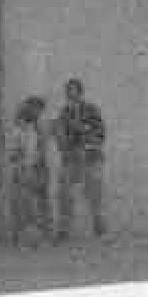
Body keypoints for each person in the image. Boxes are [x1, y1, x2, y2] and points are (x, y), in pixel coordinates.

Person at [54, 77, 106, 239]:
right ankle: (64, 227)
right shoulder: (64, 113)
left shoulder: (91, 109)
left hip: (91, 156)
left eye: (74, 91)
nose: (71, 94)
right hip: (72, 157)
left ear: (80, 92)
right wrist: (62, 139)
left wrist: (86, 133)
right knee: (64, 191)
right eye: (68, 92)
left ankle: (99, 223)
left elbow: (101, 132)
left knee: (94, 191)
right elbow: (60, 136)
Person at [7, 95, 50, 245]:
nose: (38, 112)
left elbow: (42, 147)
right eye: (35, 108)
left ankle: (41, 233)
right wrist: (21, 164)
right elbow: (14, 152)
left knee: (39, 202)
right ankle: (21, 235)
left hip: (38, 168)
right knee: (24, 203)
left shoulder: (38, 126)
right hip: (25, 169)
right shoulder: (20, 128)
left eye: (40, 109)